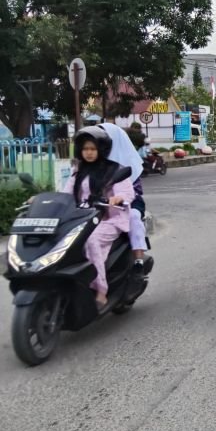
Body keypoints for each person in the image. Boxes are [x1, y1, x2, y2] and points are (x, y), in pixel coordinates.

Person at [62, 126, 134, 310]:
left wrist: (118, 198)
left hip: (109, 218)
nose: (89, 153)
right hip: (83, 219)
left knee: (90, 240)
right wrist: (42, 199)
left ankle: (101, 289)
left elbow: (126, 192)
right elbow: (66, 194)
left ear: (101, 150)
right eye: (85, 149)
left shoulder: (113, 169)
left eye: (93, 149)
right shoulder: (79, 172)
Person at [100, 123, 148, 275]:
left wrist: (119, 197)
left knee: (133, 216)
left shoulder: (126, 163)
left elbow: (134, 191)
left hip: (129, 203)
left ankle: (138, 257)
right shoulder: (91, 162)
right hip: (99, 204)